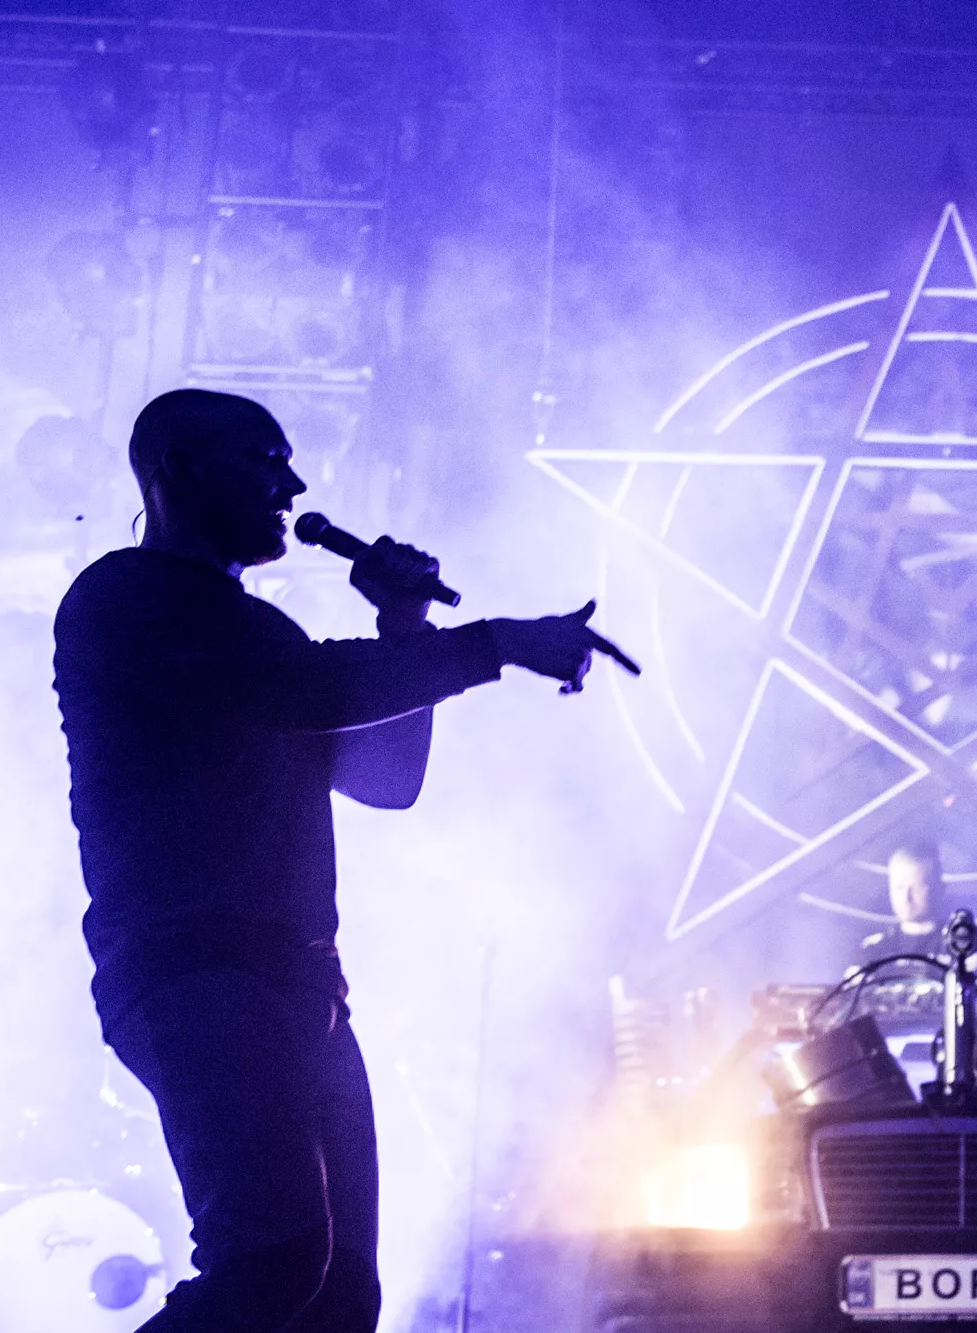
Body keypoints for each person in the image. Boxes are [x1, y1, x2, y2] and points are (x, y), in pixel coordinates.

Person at [51, 389, 630, 1332]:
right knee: (270, 1257)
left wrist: (404, 626)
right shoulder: (126, 599)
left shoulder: (260, 633)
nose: (293, 487)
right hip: (197, 970)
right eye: (266, 462)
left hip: (300, 982)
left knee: (338, 1294)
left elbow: (385, 777)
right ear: (176, 470)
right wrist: (498, 643)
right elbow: (309, 692)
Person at [855, 840, 946, 958]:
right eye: (899, 888)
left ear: (939, 889)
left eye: (916, 888)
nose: (906, 898)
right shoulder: (873, 949)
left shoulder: (959, 949)